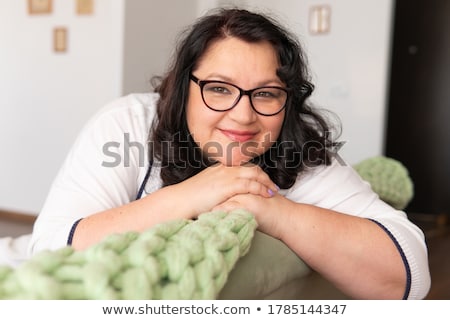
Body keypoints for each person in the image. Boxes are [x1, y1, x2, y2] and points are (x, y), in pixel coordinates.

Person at [28, 8, 430, 299]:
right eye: (219, 88)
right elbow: (48, 250)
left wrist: (274, 211)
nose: (243, 114)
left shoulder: (299, 150)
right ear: (185, 87)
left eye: (267, 93)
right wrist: (192, 194)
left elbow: (409, 275)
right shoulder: (127, 123)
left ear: (287, 101)